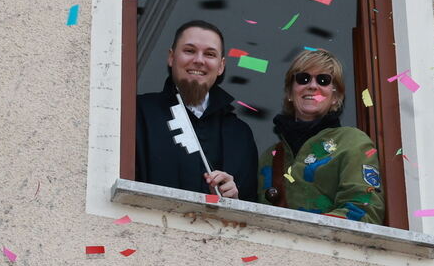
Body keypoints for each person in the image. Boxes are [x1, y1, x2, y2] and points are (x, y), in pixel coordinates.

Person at [257, 49, 385, 225]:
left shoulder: (353, 142)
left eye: (323, 80)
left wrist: (307, 232)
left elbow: (364, 211)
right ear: (289, 93)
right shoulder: (270, 157)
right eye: (303, 78)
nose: (312, 85)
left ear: (336, 97)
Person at [136, 20, 258, 201]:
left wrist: (234, 197)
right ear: (171, 57)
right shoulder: (138, 112)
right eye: (189, 51)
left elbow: (252, 214)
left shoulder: (240, 134)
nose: (199, 60)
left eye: (209, 54)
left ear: (221, 66)